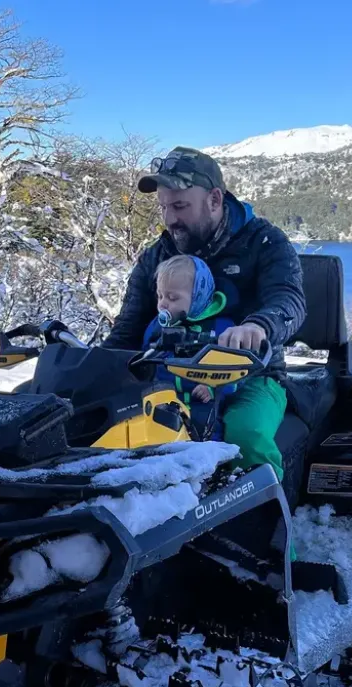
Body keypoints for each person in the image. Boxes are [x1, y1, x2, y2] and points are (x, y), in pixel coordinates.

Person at [104, 146, 306, 483]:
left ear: (214, 199)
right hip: (168, 377)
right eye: (164, 207)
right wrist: (89, 365)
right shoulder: (159, 256)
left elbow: (289, 299)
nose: (170, 219)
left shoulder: (263, 241)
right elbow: (129, 327)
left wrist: (258, 326)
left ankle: (274, 532)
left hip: (252, 377)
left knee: (246, 436)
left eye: (180, 206)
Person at [145, 254, 235, 407]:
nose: (163, 304)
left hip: (202, 406)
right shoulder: (157, 327)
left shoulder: (221, 328)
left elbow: (235, 371)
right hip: (163, 403)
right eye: (160, 296)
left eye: (172, 298)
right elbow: (145, 356)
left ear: (198, 298)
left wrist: (212, 388)